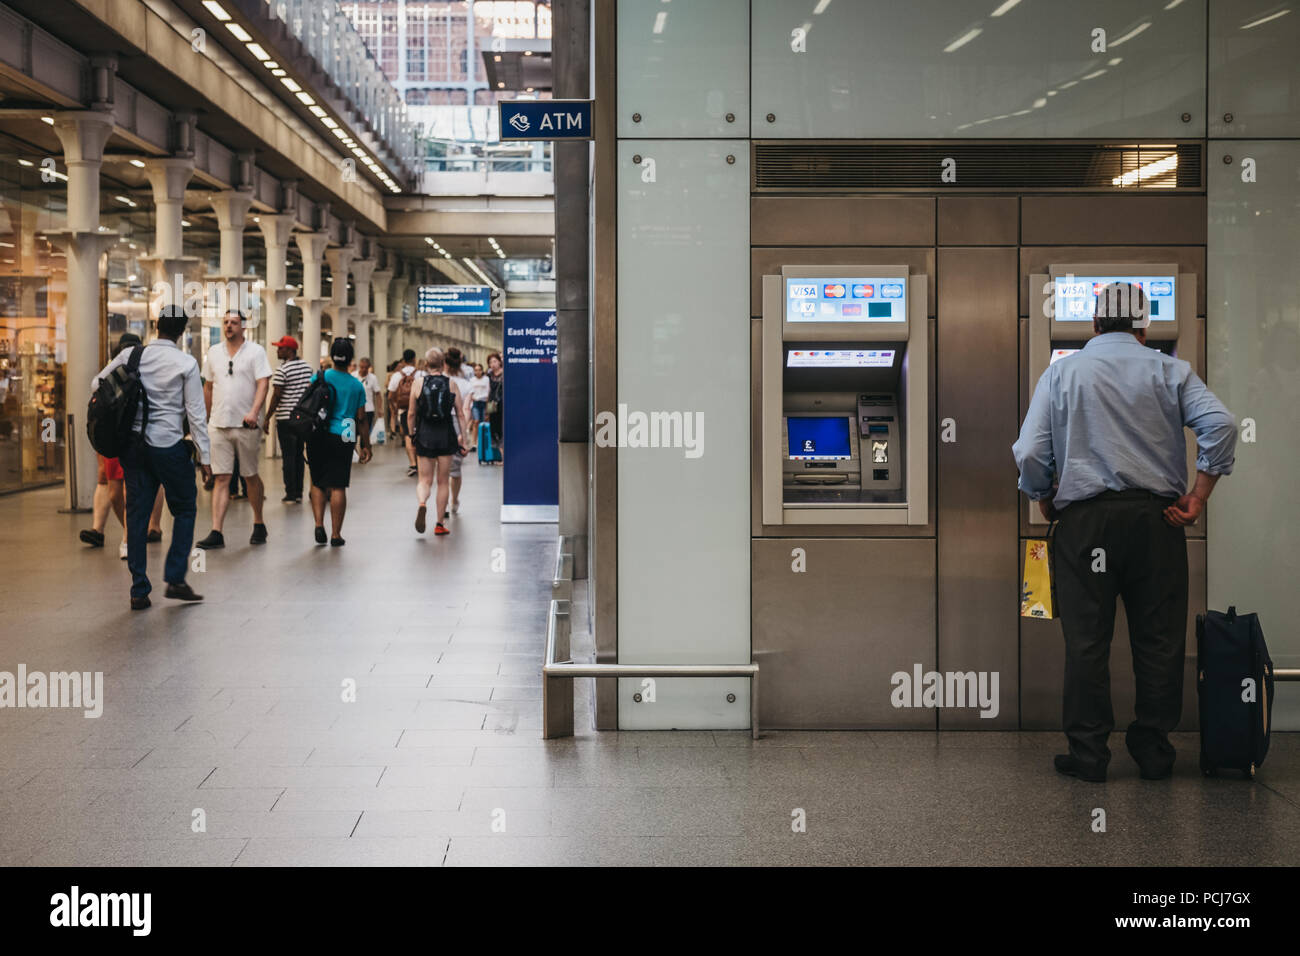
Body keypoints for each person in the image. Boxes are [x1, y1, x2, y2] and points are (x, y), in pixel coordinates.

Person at [1012, 283, 1237, 783]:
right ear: (1144, 327)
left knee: (1087, 640)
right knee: (1158, 640)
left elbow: (1029, 452)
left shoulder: (1062, 373)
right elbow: (1221, 424)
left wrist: (1044, 496)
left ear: (1093, 325)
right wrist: (1198, 496)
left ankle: (1090, 755)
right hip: (1157, 523)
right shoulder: (1170, 370)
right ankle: (1154, 752)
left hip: (1086, 523)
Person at [90, 305, 212, 609]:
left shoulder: (132, 355)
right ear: (182, 332)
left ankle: (139, 589)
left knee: (137, 515)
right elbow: (196, 416)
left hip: (133, 447)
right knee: (184, 508)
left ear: (156, 325)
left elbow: (97, 384)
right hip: (169, 446)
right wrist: (206, 458)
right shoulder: (186, 363)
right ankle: (175, 579)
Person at [197, 310, 272, 549]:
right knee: (222, 477)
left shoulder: (255, 352)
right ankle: (216, 531)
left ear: (243, 327)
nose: (229, 326)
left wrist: (255, 411)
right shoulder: (214, 353)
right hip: (219, 424)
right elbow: (208, 387)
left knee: (249, 475)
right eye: (226, 322)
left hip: (246, 424)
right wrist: (206, 418)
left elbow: (263, 384)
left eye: (234, 323)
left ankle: (258, 522)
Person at [306, 338, 371, 546]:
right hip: (345, 433)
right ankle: (335, 534)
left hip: (318, 432)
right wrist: (366, 445)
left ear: (332, 356)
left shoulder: (319, 376)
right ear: (350, 359)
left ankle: (318, 524)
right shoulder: (356, 385)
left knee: (317, 481)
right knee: (338, 485)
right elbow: (360, 418)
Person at [409, 348, 470, 537]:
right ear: (443, 364)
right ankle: (439, 523)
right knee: (443, 481)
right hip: (446, 435)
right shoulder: (451, 384)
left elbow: (411, 413)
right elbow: (460, 413)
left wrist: (412, 435)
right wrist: (464, 439)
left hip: (425, 434)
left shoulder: (418, 383)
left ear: (426, 364)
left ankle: (421, 503)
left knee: (424, 480)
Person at [263, 335, 313, 503]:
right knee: (299, 455)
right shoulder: (307, 367)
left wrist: (267, 417)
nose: (277, 351)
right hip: (303, 419)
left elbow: (276, 396)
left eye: (280, 348)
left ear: (290, 350)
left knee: (288, 457)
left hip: (286, 419)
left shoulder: (282, 370)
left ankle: (290, 493)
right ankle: (299, 492)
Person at [442, 348, 475, 517]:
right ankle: (454, 500)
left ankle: (443, 504)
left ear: (444, 363)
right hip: (456, 423)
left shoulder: (438, 381)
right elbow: (466, 409)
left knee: (441, 467)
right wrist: (464, 432)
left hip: (438, 425)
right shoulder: (466, 384)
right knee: (455, 469)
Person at [387, 348, 419, 477]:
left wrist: (394, 408)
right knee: (419, 434)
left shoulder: (397, 375)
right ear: (414, 359)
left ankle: (412, 464)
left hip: (404, 409)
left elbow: (390, 395)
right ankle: (419, 461)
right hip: (419, 409)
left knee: (408, 435)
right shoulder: (420, 373)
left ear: (404, 360)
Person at [353, 356, 382, 450]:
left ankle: (363, 451)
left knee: (364, 433)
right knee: (353, 433)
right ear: (358, 366)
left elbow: (378, 394)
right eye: (362, 367)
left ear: (369, 367)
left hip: (368, 409)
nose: (364, 369)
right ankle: (353, 453)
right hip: (354, 409)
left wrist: (380, 408)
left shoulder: (373, 378)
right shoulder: (353, 376)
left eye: (366, 367)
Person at [486, 351, 504, 458]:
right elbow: (488, 392)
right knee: (494, 428)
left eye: (494, 361)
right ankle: (500, 455)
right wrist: (486, 409)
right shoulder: (489, 375)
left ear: (499, 362)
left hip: (502, 404)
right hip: (492, 405)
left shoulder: (505, 374)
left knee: (502, 428)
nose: (493, 364)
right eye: (490, 362)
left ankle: (503, 457)